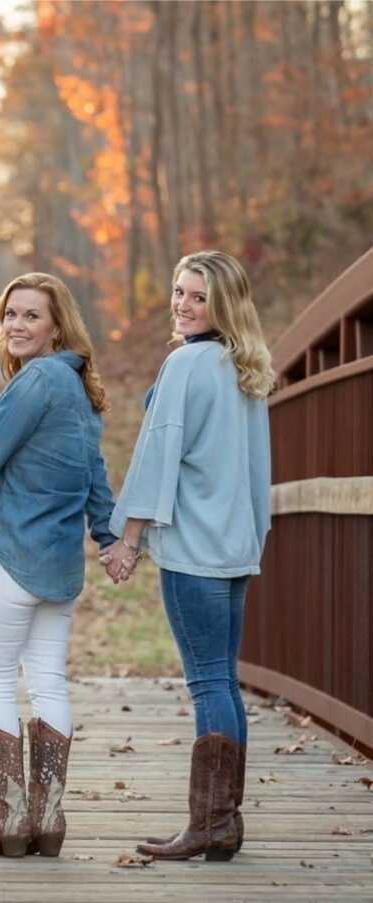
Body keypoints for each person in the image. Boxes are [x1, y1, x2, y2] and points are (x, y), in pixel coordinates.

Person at [0, 273, 116, 858]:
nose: (16, 325)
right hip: (59, 565)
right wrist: (107, 534)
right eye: (10, 314)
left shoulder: (35, 381)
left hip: (11, 555)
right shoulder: (79, 389)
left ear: (57, 326)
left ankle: (10, 821)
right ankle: (48, 820)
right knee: (50, 681)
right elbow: (95, 475)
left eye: (32, 315)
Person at [102, 250, 274, 862]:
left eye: (197, 297)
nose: (182, 304)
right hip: (232, 552)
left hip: (196, 554)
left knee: (208, 684)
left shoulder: (186, 364)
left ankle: (209, 825)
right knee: (223, 682)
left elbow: (156, 458)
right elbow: (258, 476)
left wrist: (128, 541)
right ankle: (224, 823)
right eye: (179, 292)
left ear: (222, 305)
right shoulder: (247, 368)